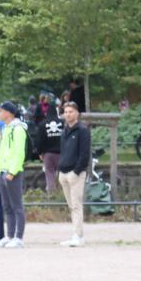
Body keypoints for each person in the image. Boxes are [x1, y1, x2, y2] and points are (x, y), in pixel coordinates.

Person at [0, 101, 28, 248]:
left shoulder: (18, 129)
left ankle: (19, 237)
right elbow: (3, 152)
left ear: (8, 112)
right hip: (2, 171)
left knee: (17, 206)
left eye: (0, 111)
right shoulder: (6, 128)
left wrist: (12, 171)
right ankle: (9, 235)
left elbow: (19, 152)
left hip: (12, 172)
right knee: (6, 206)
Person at [57, 101, 91, 247]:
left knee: (76, 205)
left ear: (77, 113)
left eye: (71, 111)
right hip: (63, 172)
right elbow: (63, 151)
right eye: (66, 111)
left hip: (75, 173)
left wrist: (76, 171)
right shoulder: (64, 130)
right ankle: (76, 234)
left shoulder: (82, 130)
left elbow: (84, 154)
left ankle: (78, 235)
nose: (68, 114)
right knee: (71, 206)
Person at [38, 102, 63, 192]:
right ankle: (62, 193)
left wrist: (40, 152)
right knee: (62, 174)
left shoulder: (42, 124)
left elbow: (40, 140)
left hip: (48, 154)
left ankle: (52, 195)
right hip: (61, 153)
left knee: (49, 174)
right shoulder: (62, 123)